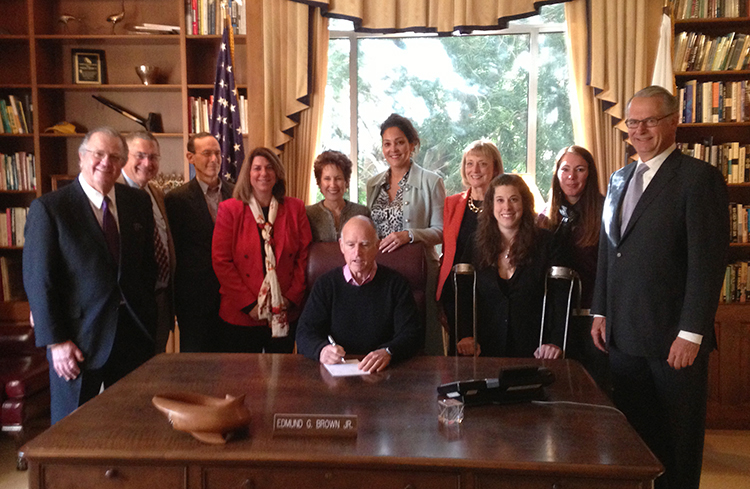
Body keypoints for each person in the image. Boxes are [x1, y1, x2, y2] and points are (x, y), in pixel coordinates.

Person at [591, 86, 729, 489]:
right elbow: (607, 251)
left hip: (674, 342)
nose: (640, 130)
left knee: (678, 443)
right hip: (623, 336)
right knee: (636, 439)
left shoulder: (699, 179)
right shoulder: (619, 179)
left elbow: (708, 263)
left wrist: (692, 333)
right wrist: (601, 309)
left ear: (673, 122)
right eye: (633, 122)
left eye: (650, 120)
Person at [23, 127, 157, 424]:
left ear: (122, 163)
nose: (105, 162)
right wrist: (55, 342)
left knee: (132, 424)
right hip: (77, 343)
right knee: (72, 429)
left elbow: (147, 267)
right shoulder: (50, 209)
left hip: (131, 337)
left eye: (114, 156)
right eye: (98, 154)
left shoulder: (137, 203)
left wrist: (148, 316)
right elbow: (38, 281)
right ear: (82, 157)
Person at [212, 147, 311, 353]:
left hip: (283, 311)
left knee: (282, 379)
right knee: (243, 383)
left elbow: (304, 256)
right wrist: (249, 305)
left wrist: (290, 298)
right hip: (241, 313)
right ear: (248, 174)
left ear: (277, 174)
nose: (263, 174)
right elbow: (221, 261)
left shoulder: (296, 208)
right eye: (257, 168)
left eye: (269, 168)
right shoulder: (230, 210)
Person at [296, 216, 422, 372]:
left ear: (377, 246)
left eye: (365, 245)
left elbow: (411, 334)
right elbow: (304, 333)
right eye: (350, 245)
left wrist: (389, 352)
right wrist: (321, 350)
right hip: (337, 373)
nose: (357, 253)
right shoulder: (325, 284)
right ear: (341, 246)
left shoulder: (396, 284)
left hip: (384, 372)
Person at [458, 174, 565, 358]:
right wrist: (466, 334)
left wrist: (555, 341)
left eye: (514, 199)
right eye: (500, 200)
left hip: (536, 350)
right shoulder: (475, 243)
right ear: (491, 205)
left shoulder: (546, 242)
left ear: (524, 203)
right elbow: (464, 292)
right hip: (484, 349)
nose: (507, 207)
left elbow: (559, 296)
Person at [366, 113, 445, 354]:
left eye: (399, 142)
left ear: (412, 145)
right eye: (387, 143)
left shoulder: (432, 181)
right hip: (381, 273)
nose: (393, 149)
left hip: (419, 271)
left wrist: (409, 235)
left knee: (422, 337)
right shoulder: (373, 184)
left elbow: (441, 232)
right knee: (384, 336)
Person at [539, 145, 606, 387]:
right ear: (556, 174)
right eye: (565, 169)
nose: (571, 177)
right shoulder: (544, 218)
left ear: (590, 174)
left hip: (592, 318)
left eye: (580, 169)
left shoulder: (607, 212)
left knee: (594, 388)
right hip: (555, 320)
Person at [164, 132, 234, 352]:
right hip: (194, 301)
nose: (214, 159)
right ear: (190, 157)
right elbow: (174, 253)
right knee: (197, 367)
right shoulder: (175, 200)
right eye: (206, 153)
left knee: (234, 365)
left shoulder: (237, 193)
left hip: (233, 296)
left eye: (217, 153)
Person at [437, 140, 503, 353]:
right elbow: (448, 252)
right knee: (460, 363)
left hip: (493, 294)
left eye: (482, 164)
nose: (475, 170)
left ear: (495, 168)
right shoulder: (452, 203)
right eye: (469, 163)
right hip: (457, 294)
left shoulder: (504, 204)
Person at [120, 131, 176, 353]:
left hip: (162, 299)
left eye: (153, 157)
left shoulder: (156, 193)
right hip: (131, 306)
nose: (147, 163)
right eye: (140, 155)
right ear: (125, 156)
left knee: (156, 366)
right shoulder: (113, 194)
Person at [306, 150, 370, 242]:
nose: (333, 185)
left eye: (338, 178)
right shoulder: (308, 214)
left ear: (346, 182)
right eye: (327, 179)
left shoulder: (362, 212)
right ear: (319, 183)